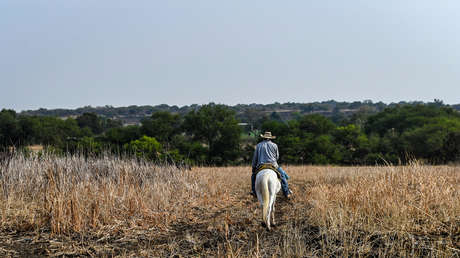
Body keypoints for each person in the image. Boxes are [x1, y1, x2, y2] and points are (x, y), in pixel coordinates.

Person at [251, 131, 293, 199]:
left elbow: (255, 158)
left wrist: (253, 167)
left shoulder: (258, 145)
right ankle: (286, 192)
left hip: (261, 165)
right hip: (273, 165)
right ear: (270, 138)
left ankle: (254, 191)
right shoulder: (274, 145)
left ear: (263, 138)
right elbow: (277, 157)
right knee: (283, 176)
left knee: (253, 176)